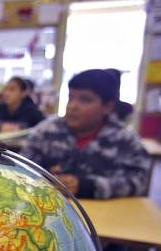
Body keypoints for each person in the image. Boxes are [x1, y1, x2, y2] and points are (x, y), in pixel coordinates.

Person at [20, 69, 150, 199]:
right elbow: (21, 169)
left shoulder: (124, 140)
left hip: (106, 213)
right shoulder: (46, 131)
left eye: (85, 100)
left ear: (108, 107)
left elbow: (139, 180)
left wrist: (88, 186)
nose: (72, 106)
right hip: (50, 210)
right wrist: (46, 177)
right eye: (70, 97)